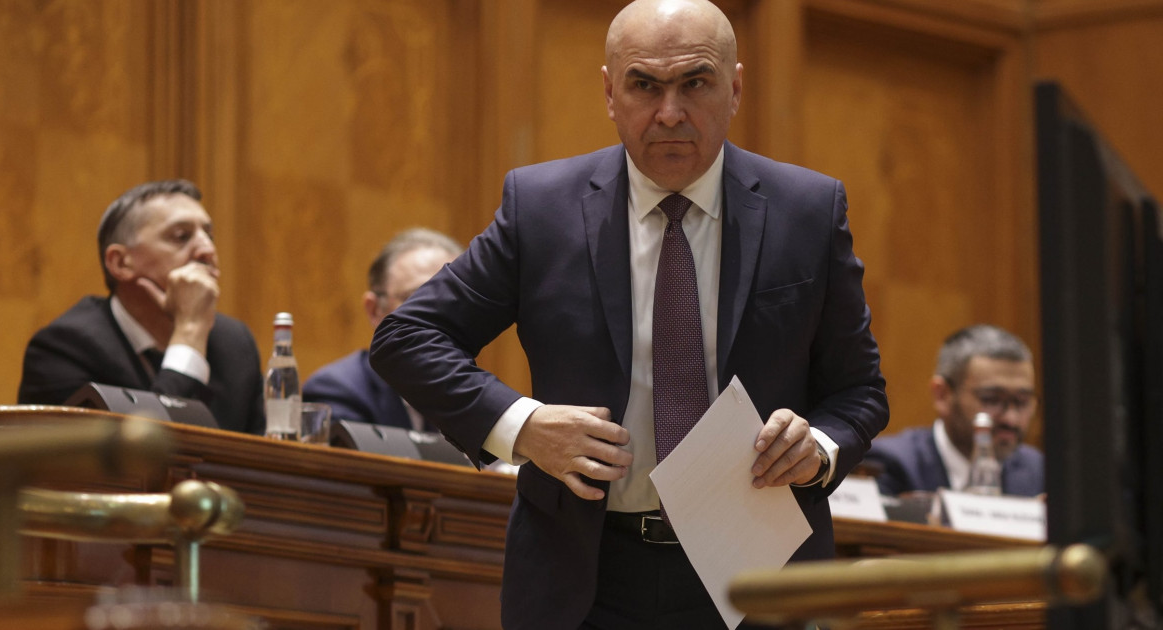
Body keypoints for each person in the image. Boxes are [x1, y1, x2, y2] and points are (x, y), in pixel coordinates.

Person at [370, 1, 887, 628]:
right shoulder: (542, 208)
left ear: (735, 89)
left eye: (695, 83)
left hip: (759, 569)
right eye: (644, 85)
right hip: (582, 575)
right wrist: (523, 427)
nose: (669, 112)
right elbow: (408, 335)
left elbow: (859, 392)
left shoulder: (807, 210)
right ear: (610, 94)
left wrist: (819, 449)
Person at [17, 179, 266, 435]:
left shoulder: (235, 344)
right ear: (121, 263)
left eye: (209, 236)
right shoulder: (64, 350)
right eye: (181, 237)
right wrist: (189, 334)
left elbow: (263, 454)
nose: (208, 250)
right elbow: (147, 451)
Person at [303, 228, 462, 430]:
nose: (442, 314)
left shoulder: (468, 394)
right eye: (419, 298)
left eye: (454, 299)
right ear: (375, 310)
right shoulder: (336, 390)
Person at [866, 324, 1044, 497]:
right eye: (991, 399)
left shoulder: (1039, 470)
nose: (1011, 419)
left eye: (1022, 401)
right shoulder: (891, 464)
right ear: (942, 395)